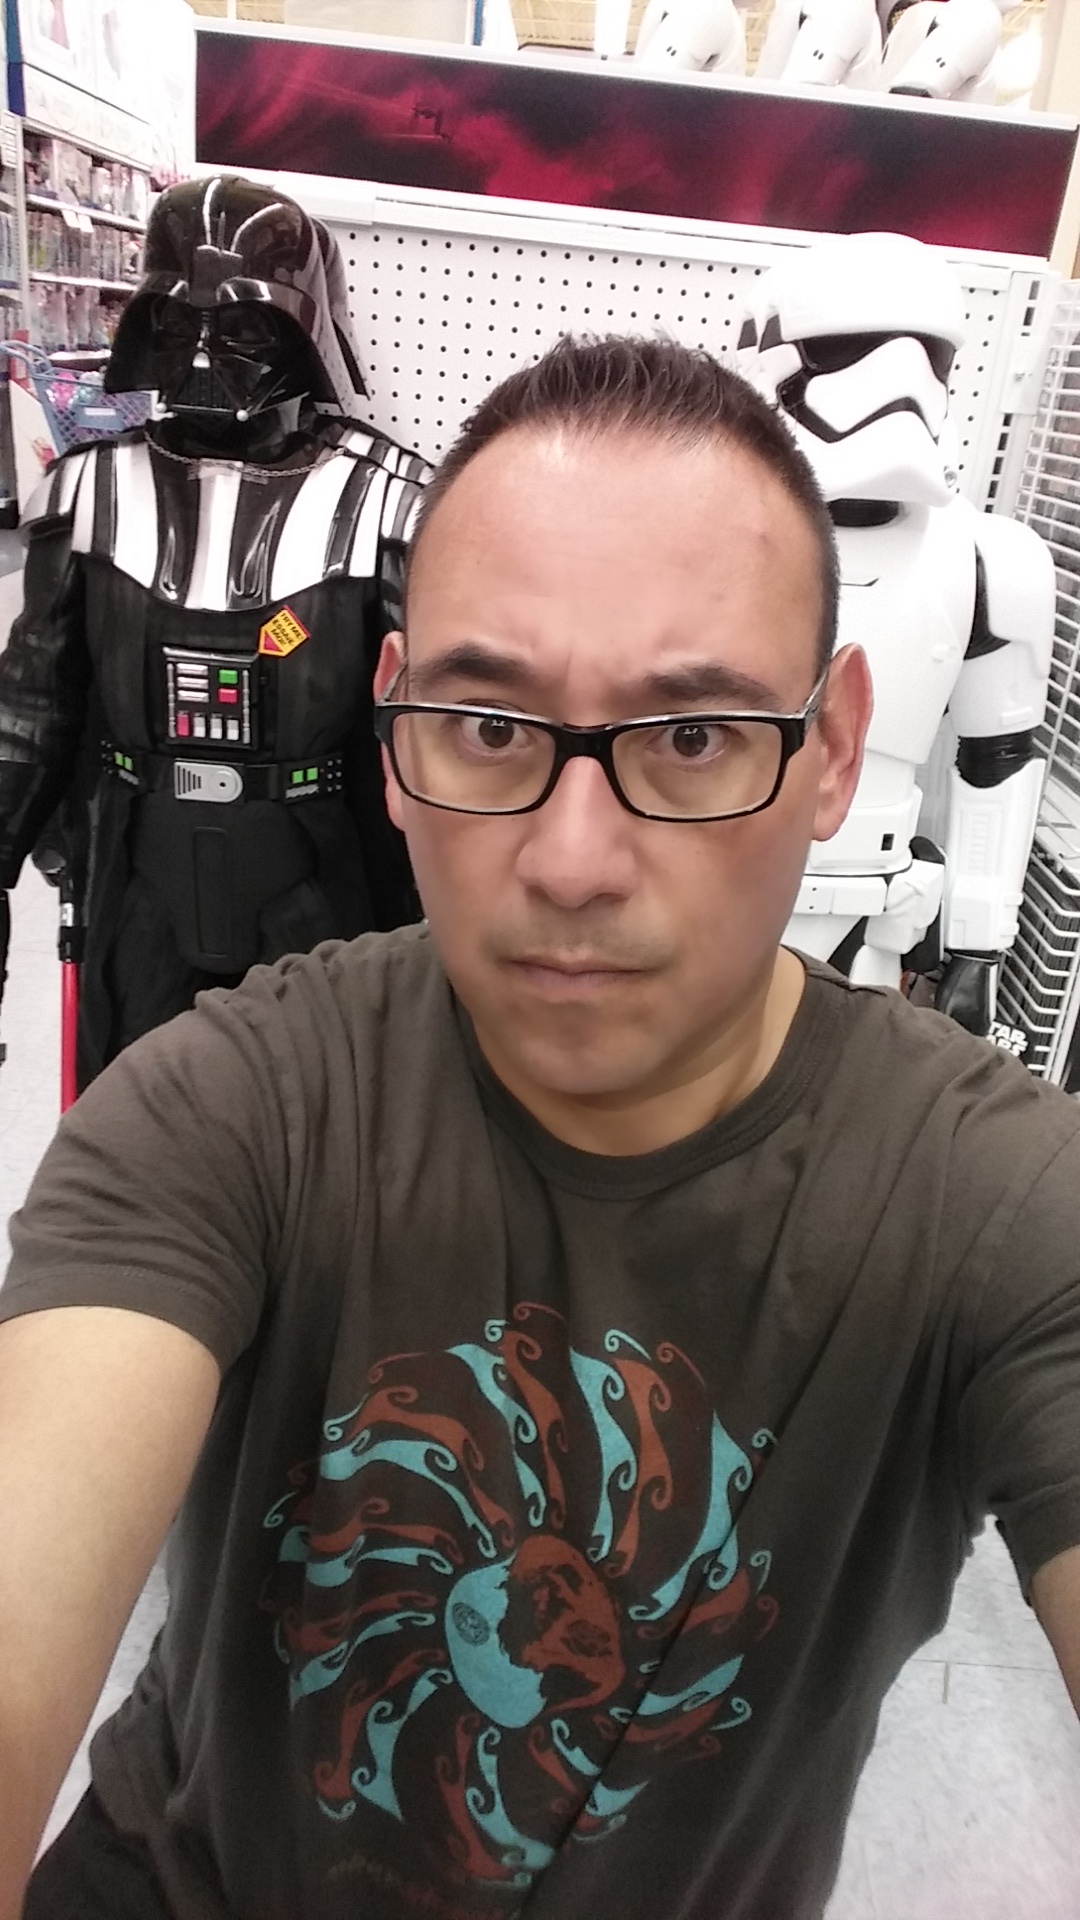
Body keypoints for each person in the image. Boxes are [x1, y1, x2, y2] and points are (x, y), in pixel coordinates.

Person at [1, 335, 1078, 1920]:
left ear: (835, 751)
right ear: (394, 734)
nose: (574, 863)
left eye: (692, 738)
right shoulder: (230, 1108)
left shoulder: (992, 1205)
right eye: (492, 728)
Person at [0, 174, 427, 1091]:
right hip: (137, 875)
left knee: (323, 1113)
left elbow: (425, 734)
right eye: (177, 323)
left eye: (240, 329)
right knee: (135, 1116)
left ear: (304, 335)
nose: (202, 355)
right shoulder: (88, 494)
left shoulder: (389, 507)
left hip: (323, 877)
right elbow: (29, 714)